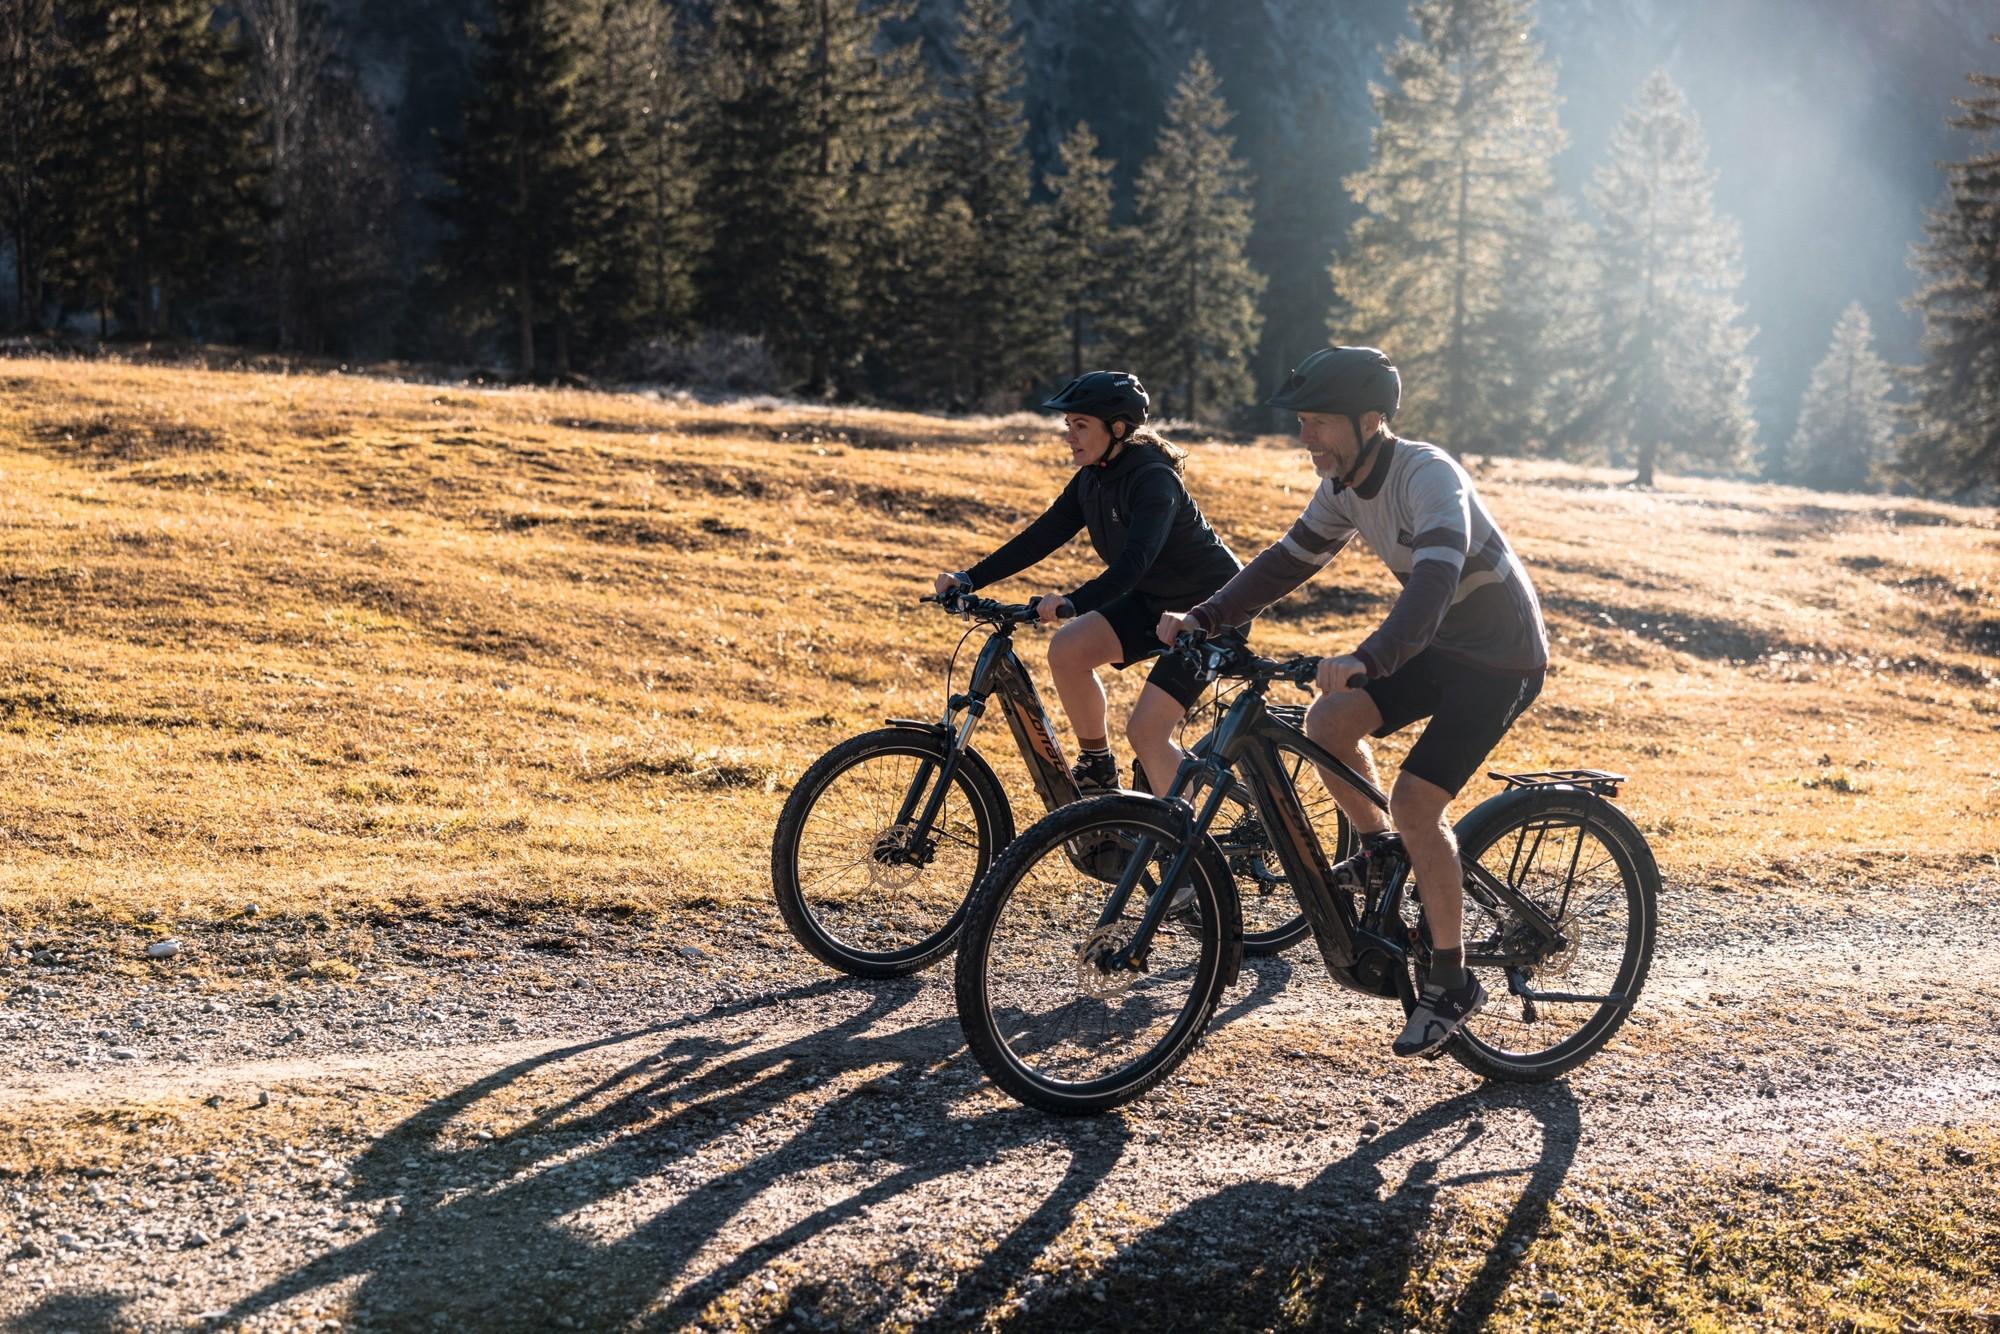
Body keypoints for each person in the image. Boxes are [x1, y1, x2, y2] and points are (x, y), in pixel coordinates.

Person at [1156, 347, 1548, 1058]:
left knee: (1417, 802)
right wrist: (1205, 617)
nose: (1306, 437)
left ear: (1371, 422)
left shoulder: (1429, 477)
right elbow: (1285, 561)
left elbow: (1431, 587)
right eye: (1303, 421)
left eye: (1319, 423)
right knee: (1328, 722)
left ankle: (1452, 978)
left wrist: (1368, 659)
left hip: (1499, 658)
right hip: (1439, 645)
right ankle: (1377, 850)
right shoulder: (1342, 484)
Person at [934, 371, 1241, 798]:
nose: (1070, 436)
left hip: (1212, 609)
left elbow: (1133, 565)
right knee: (1068, 649)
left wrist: (1073, 602)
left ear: (1117, 429)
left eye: (1081, 426)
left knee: (1147, 734)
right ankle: (1098, 766)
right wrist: (970, 577)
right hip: (1154, 602)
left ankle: (1186, 849)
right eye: (1068, 426)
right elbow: (1041, 537)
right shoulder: (1093, 477)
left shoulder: (1153, 479)